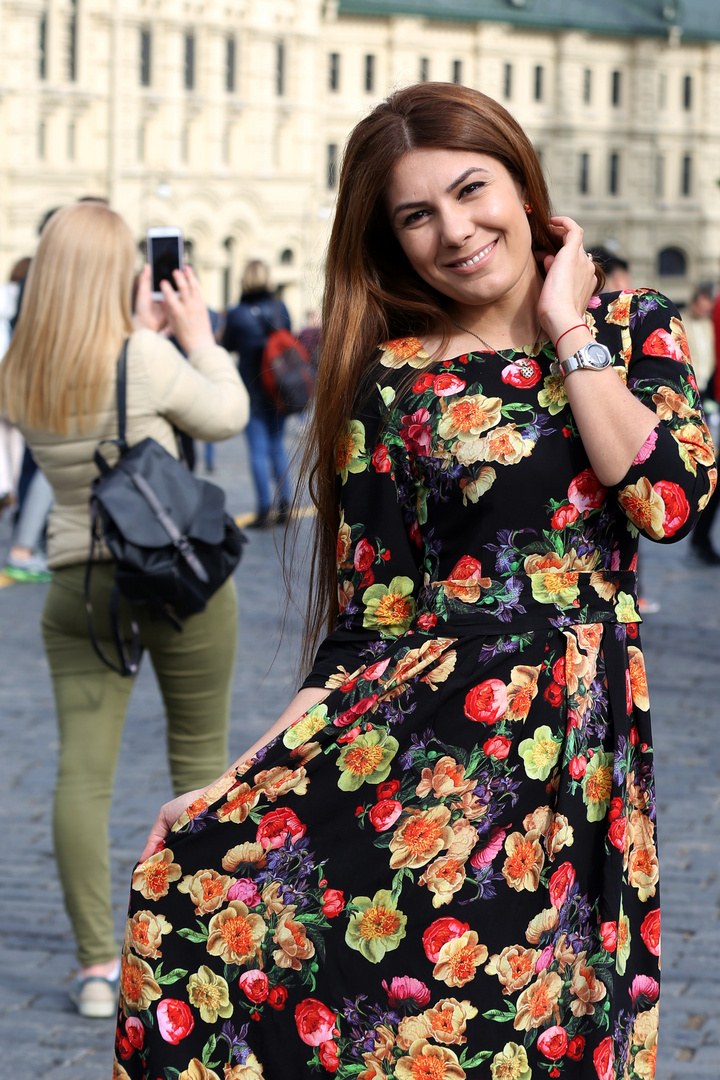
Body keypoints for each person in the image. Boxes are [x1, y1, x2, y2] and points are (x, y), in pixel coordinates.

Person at [114, 84, 714, 1078]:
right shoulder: (389, 382)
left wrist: (569, 325)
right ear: (391, 239)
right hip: (431, 759)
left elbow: (666, 500)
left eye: (473, 191)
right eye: (416, 215)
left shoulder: (628, 328)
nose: (455, 231)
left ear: (524, 187)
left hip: (580, 758)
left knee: (550, 1026)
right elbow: (371, 620)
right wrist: (238, 773)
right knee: (429, 1024)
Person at [0, 201, 249, 1019]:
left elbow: (89, 379)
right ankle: (200, 945)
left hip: (77, 584)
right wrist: (199, 334)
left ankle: (96, 968)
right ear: (123, 273)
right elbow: (227, 414)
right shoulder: (142, 355)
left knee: (82, 774)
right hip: (171, 574)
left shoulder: (22, 368)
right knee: (199, 759)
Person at [222, 260, 293, 528]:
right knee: (277, 446)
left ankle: (264, 508)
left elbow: (227, 343)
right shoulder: (279, 306)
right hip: (279, 387)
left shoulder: (237, 313)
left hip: (251, 389)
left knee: (257, 451)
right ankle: (285, 503)